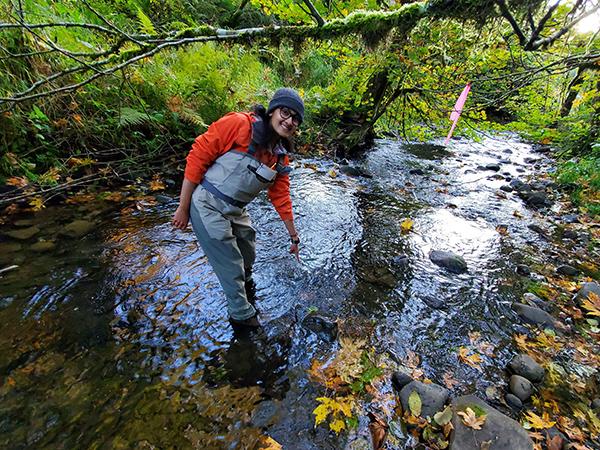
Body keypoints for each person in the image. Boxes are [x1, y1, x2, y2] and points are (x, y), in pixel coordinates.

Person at [172, 88, 303, 328]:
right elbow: (197, 157)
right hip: (206, 205)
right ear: (273, 110)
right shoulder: (239, 124)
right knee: (231, 264)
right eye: (285, 112)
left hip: (236, 209)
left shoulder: (280, 158)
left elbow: (281, 197)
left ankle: (247, 286)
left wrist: (293, 237)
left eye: (295, 118)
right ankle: (243, 319)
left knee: (247, 250)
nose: (289, 121)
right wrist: (183, 207)